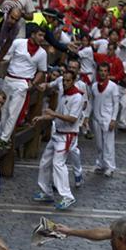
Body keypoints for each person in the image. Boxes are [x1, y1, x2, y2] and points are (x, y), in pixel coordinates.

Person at [33, 68, 84, 210]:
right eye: (64, 80)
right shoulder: (63, 92)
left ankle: (67, 196)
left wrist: (53, 113)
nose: (65, 83)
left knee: (58, 164)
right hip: (57, 133)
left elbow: (72, 119)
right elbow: (59, 114)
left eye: (68, 81)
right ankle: (46, 192)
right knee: (45, 161)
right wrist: (43, 117)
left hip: (67, 136)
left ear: (74, 81)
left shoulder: (77, 97)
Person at [0, 25, 48, 147]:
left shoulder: (42, 53)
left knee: (13, 111)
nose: (41, 38)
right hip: (9, 78)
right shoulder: (18, 43)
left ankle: (4, 139)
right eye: (40, 35)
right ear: (33, 34)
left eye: (43, 36)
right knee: (3, 109)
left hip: (23, 83)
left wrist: (33, 83)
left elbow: (42, 71)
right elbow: (7, 57)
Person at [90, 62, 121, 177]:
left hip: (108, 119)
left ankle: (110, 166)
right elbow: (92, 102)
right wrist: (88, 115)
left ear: (108, 72)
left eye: (105, 71)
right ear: (98, 72)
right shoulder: (94, 86)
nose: (103, 73)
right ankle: (100, 164)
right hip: (96, 118)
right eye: (101, 71)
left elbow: (116, 104)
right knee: (99, 144)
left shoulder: (113, 86)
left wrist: (113, 119)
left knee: (108, 144)